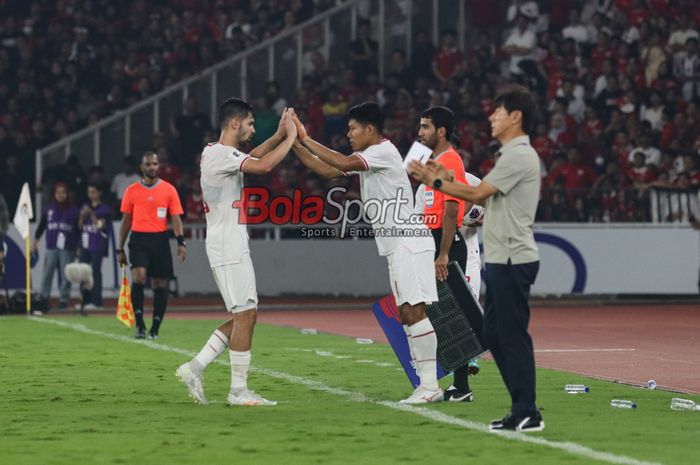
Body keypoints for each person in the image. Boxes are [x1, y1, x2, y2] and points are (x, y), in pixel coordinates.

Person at [410, 84, 543, 431]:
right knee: (495, 334)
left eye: (497, 111)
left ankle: (527, 410)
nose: (491, 117)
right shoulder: (509, 156)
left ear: (516, 117)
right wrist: (435, 181)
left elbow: (476, 193)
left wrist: (435, 181)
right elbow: (480, 198)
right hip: (502, 256)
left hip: (515, 256)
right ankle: (520, 408)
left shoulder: (518, 156)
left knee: (510, 335)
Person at [291, 102, 442, 404]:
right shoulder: (373, 157)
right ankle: (426, 386)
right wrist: (294, 143)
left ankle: (429, 386)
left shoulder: (382, 152)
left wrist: (306, 138)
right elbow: (328, 169)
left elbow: (343, 163)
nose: (348, 134)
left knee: (414, 310)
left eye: (352, 128)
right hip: (398, 245)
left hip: (408, 242)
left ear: (370, 130)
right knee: (406, 312)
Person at [175, 99, 297, 406]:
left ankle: (195, 367)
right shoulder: (219, 154)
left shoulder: (215, 152)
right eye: (251, 124)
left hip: (228, 240)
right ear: (235, 123)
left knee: (244, 315)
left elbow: (252, 156)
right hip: (227, 242)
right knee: (246, 314)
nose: (253, 129)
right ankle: (238, 390)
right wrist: (292, 139)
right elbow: (264, 165)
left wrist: (280, 135)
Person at [415, 106, 474, 402]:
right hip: (434, 240)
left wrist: (443, 254)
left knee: (451, 315)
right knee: (442, 314)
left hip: (444, 242)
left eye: (425, 127)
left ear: (441, 131)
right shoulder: (436, 161)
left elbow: (451, 210)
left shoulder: (450, 160)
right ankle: (457, 384)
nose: (419, 132)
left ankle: (461, 386)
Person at [117, 152, 187, 339]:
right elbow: (125, 221)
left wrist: (181, 242)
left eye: (155, 164)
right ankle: (140, 325)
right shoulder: (131, 190)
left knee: (159, 283)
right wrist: (120, 248)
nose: (152, 167)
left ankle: (155, 327)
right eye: (148, 164)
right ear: (142, 167)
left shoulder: (169, 190)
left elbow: (176, 218)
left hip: (160, 240)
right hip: (139, 239)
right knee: (139, 277)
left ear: (158, 166)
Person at [33, 183, 80, 310]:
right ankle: (44, 298)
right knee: (47, 273)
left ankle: (64, 300)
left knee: (66, 275)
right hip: (51, 246)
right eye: (58, 192)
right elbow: (42, 226)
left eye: (63, 192)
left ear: (67, 194)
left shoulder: (74, 211)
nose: (61, 195)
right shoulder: (48, 209)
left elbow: (78, 230)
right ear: (54, 194)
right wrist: (35, 241)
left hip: (67, 246)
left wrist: (78, 246)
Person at [78, 183, 112, 310]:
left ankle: (96, 301)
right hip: (85, 244)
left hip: (98, 244)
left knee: (95, 271)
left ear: (99, 193)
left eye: (93, 192)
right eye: (89, 192)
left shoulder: (104, 209)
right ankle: (84, 299)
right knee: (83, 272)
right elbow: (80, 227)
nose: (91, 195)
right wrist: (82, 216)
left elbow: (99, 225)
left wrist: (91, 214)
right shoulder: (84, 207)